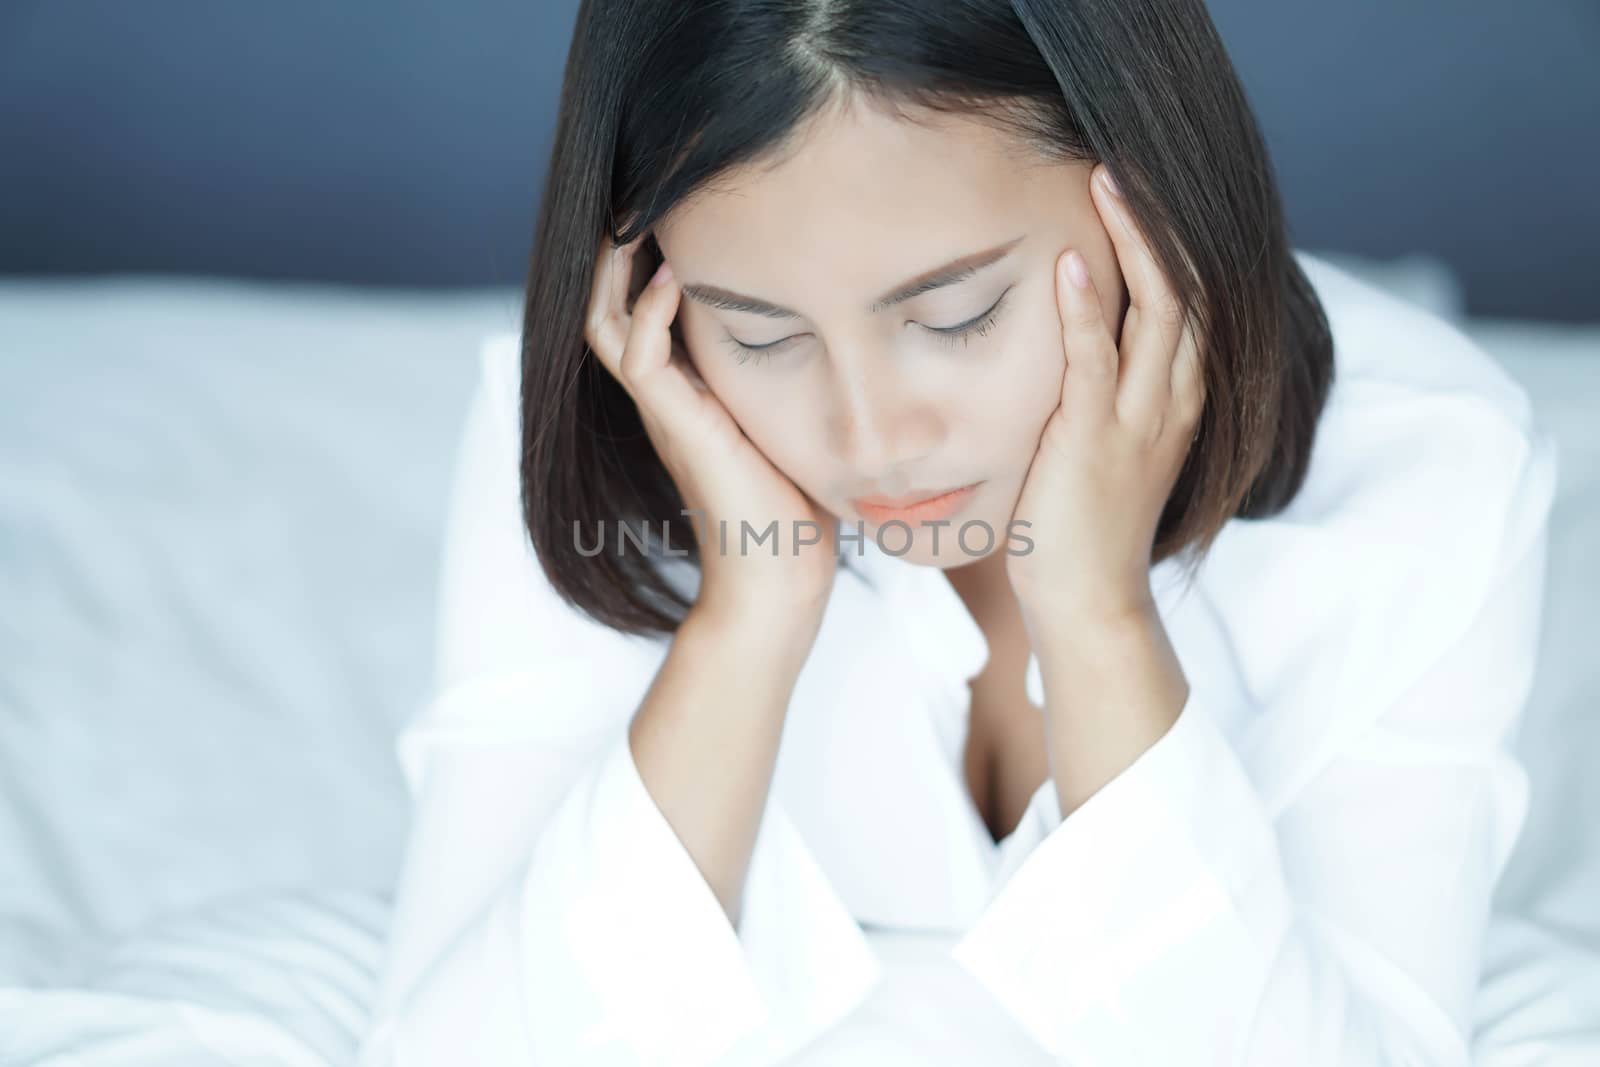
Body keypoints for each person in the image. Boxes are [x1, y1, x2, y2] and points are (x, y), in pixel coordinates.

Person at [357, 1, 1559, 1063]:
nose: (871, 437)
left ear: (1151, 192)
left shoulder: (1424, 465)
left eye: (956, 314)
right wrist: (747, 621)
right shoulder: (610, 426)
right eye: (760, 337)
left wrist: (1096, 617)